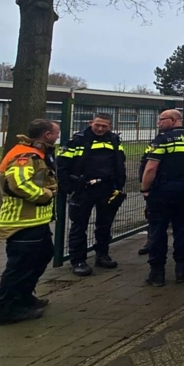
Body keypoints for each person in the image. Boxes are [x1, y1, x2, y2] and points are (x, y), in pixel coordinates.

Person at [0, 119, 60, 325]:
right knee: (19, 266)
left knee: (43, 255)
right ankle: (6, 309)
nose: (58, 136)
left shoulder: (38, 153)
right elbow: (19, 185)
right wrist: (46, 194)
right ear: (47, 135)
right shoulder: (25, 155)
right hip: (21, 221)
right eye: (56, 133)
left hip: (36, 220)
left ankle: (23, 297)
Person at [57, 112, 125, 276]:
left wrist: (119, 184)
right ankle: (78, 261)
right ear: (90, 123)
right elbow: (62, 165)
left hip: (107, 188)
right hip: (83, 189)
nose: (100, 128)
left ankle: (102, 255)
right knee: (79, 226)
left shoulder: (114, 140)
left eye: (104, 126)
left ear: (110, 126)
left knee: (104, 225)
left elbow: (119, 162)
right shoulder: (77, 140)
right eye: (97, 125)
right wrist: (69, 187)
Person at [141, 110, 184, 286]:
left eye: (162, 119)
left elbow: (151, 168)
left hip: (161, 192)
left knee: (158, 231)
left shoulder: (162, 140)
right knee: (182, 229)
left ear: (174, 120)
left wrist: (145, 189)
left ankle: (157, 273)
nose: (159, 123)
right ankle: (182, 269)